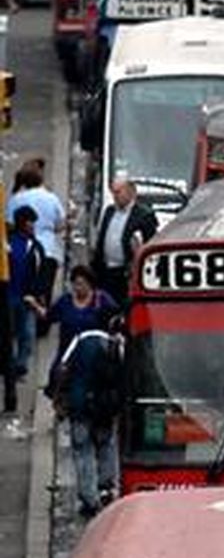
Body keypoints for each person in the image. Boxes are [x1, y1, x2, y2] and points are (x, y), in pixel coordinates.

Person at [53, 319, 125, 518]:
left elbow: (62, 368)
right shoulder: (115, 345)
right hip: (105, 409)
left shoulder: (81, 339)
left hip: (80, 405)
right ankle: (106, 489)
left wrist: (58, 399)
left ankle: (88, 498)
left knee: (82, 451)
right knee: (106, 446)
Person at [30, 264, 118, 399]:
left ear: (90, 284)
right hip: (68, 354)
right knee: (57, 377)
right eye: (75, 284)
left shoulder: (102, 300)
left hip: (93, 356)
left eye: (82, 284)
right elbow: (49, 316)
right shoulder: (65, 301)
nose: (78, 288)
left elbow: (116, 318)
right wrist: (35, 306)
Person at [92, 176, 158, 307]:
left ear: (131, 192)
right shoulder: (109, 211)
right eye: (113, 192)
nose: (115, 196)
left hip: (126, 272)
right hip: (106, 270)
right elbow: (102, 238)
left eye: (119, 192)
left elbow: (150, 243)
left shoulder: (144, 215)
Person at [8, 159, 67, 304]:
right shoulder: (51, 198)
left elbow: (9, 225)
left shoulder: (16, 199)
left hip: (23, 252)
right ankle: (42, 323)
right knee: (44, 295)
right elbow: (60, 224)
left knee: (23, 293)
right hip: (48, 251)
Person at [7, 204, 44, 400]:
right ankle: (10, 367)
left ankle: (19, 368)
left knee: (27, 335)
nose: (33, 226)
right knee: (11, 334)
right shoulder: (9, 243)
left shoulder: (35, 247)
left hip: (26, 298)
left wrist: (37, 295)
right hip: (9, 296)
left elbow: (40, 273)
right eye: (31, 222)